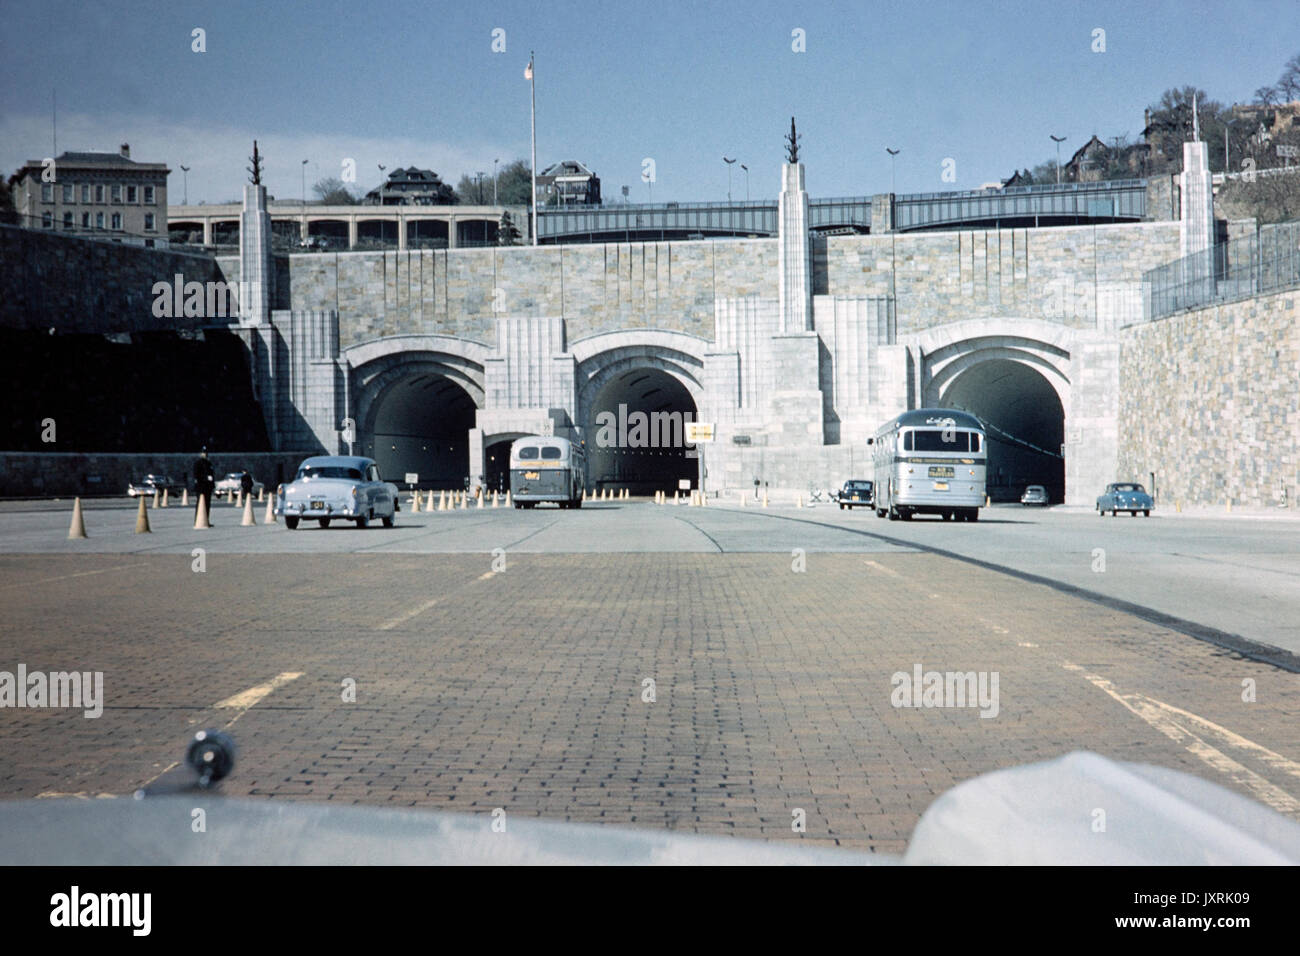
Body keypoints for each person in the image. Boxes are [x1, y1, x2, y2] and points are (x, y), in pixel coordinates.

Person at [193, 448, 215, 525]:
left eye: (206, 453)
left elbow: (212, 475)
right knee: (200, 503)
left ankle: (206, 519)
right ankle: (198, 520)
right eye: (203, 453)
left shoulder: (209, 463)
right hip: (201, 486)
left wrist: (212, 485)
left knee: (207, 504)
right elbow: (196, 476)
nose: (205, 454)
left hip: (208, 487)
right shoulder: (198, 463)